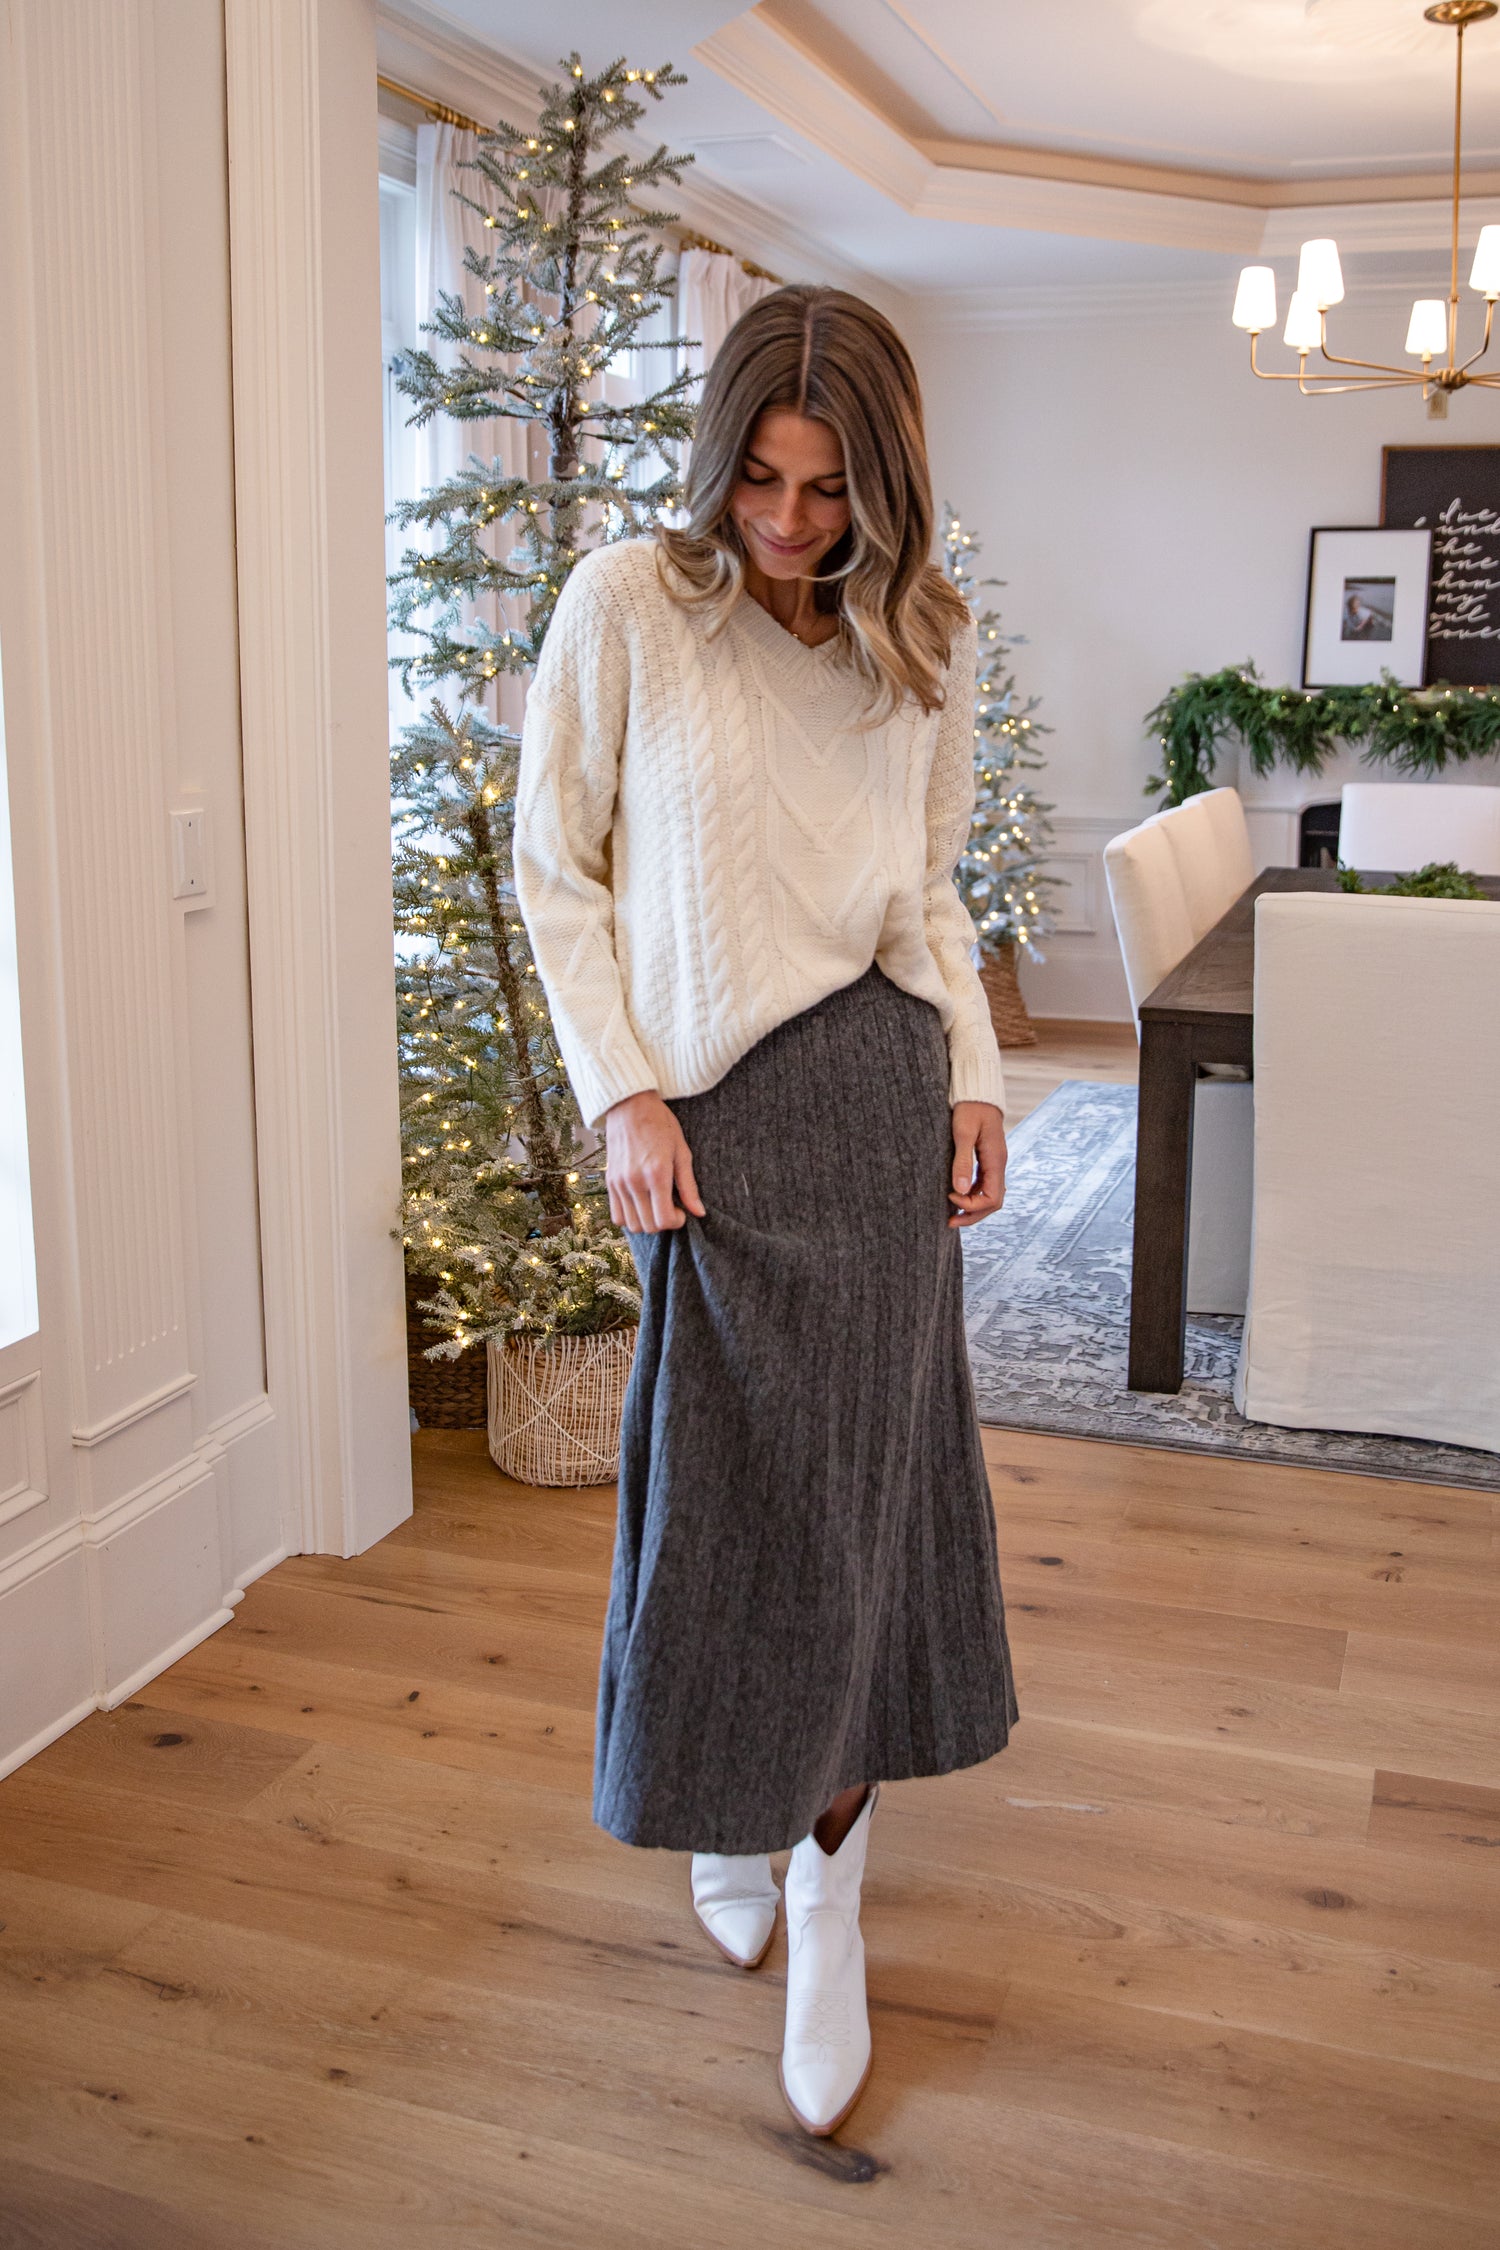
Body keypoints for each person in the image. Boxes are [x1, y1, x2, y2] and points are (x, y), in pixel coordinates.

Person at [513, 284, 1019, 2139]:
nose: (789, 522)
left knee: (865, 1505)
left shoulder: (921, 641)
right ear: (719, 459)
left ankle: (829, 1880)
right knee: (719, 1506)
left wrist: (971, 1067)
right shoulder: (629, 609)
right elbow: (555, 871)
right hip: (711, 1131)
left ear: (882, 483)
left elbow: (926, 897)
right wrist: (621, 1088)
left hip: (876, 1110)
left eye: (827, 489)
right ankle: (733, 1792)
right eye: (761, 479)